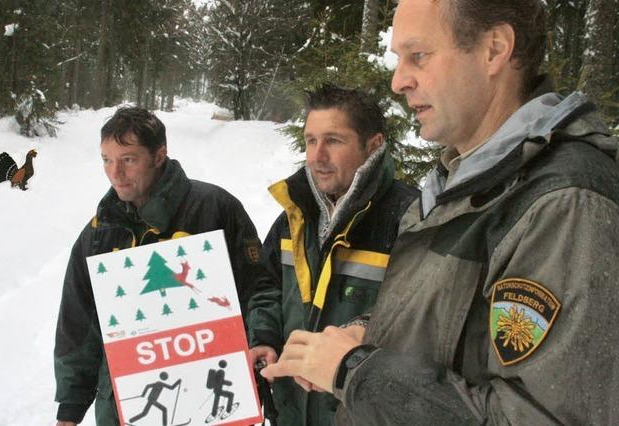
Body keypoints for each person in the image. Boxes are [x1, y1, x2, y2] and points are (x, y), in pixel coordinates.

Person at [261, 0, 619, 424]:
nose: (398, 82)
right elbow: (454, 327)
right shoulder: (462, 183)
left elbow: (549, 415)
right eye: (398, 60)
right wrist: (369, 332)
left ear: (494, 49)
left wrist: (354, 370)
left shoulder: (563, 204)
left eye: (418, 56)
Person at [54, 107, 263, 426]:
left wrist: (260, 361)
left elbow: (258, 293)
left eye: (128, 159)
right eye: (107, 160)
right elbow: (78, 324)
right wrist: (70, 408)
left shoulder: (215, 209)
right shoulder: (99, 232)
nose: (115, 173)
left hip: (210, 404)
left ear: (159, 155)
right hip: (123, 410)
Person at [247, 84, 419, 425]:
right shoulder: (293, 218)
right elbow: (266, 286)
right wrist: (264, 337)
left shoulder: (409, 219)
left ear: (373, 146)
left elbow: (418, 320)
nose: (317, 156)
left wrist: (360, 334)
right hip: (291, 411)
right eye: (311, 140)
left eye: (333, 141)